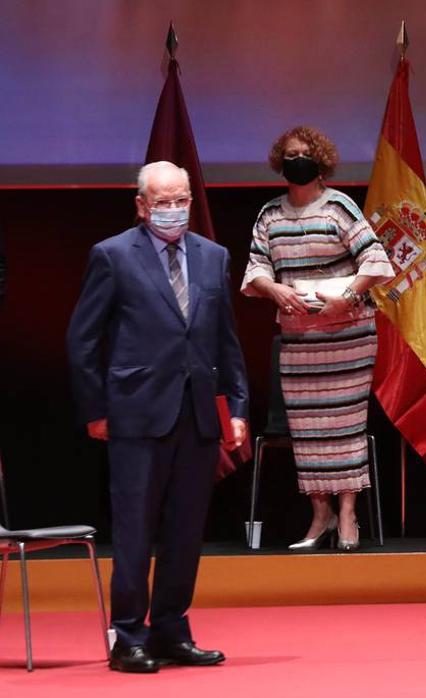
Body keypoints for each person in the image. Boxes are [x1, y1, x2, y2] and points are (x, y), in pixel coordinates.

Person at [66, 161, 249, 673]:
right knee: (134, 528)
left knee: (186, 529)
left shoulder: (214, 257)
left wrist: (237, 408)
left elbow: (226, 341)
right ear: (142, 206)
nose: (174, 209)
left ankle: (171, 629)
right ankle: (128, 636)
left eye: (182, 198)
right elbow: (83, 341)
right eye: (163, 201)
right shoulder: (112, 255)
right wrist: (96, 409)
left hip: (197, 415)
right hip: (135, 415)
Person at [241, 126, 394, 551]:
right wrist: (274, 289)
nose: (297, 159)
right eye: (290, 154)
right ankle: (319, 515)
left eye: (305, 153)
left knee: (345, 428)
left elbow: (376, 261)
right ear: (279, 162)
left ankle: (347, 514)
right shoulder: (269, 214)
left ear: (321, 160)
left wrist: (347, 297)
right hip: (300, 344)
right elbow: (255, 270)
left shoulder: (339, 207)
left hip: (347, 338)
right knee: (309, 432)